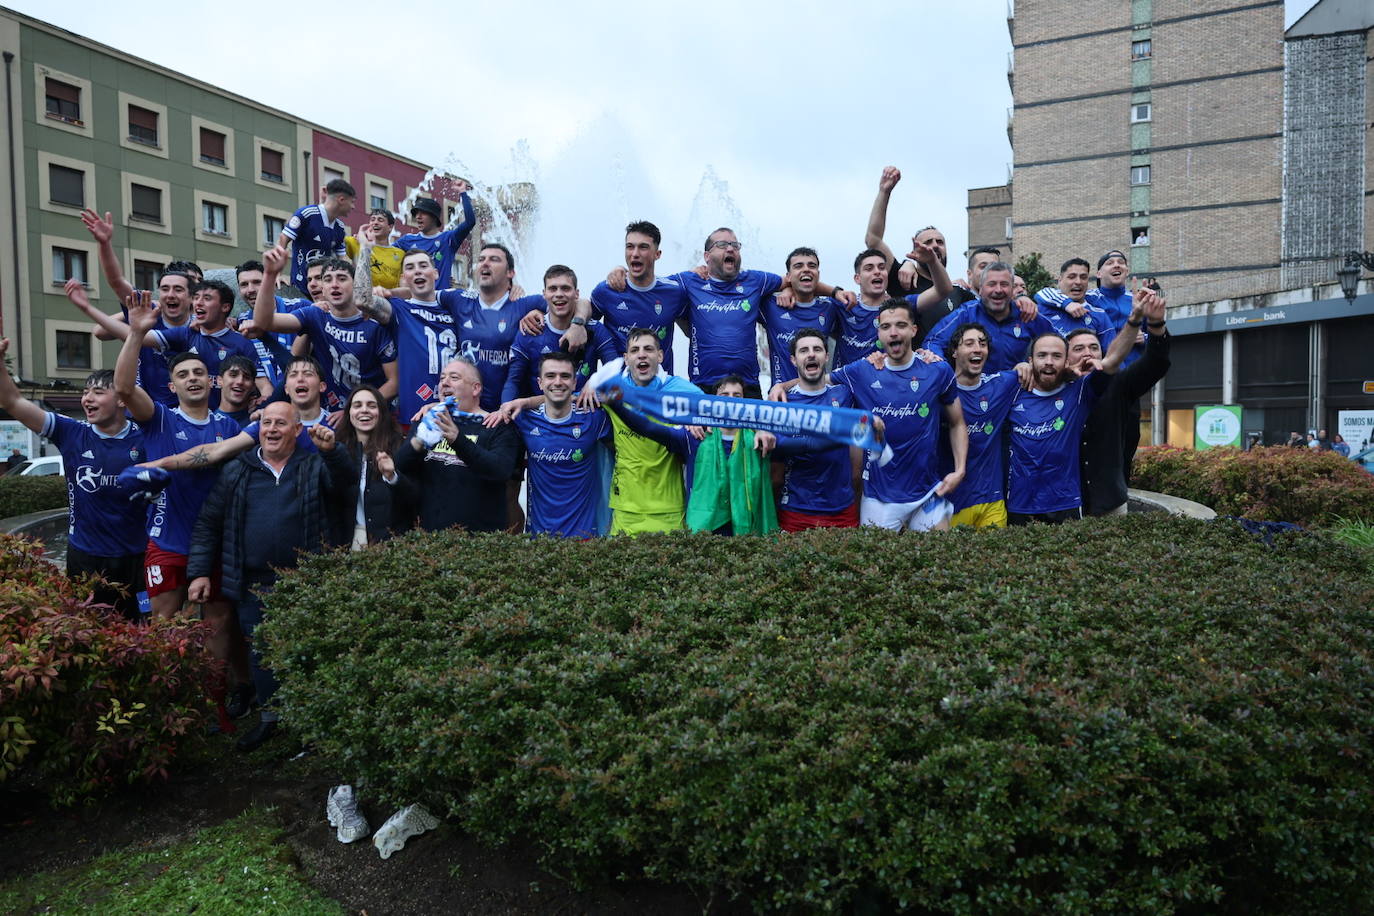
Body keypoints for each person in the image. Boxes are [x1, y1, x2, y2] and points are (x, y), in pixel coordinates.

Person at [187, 401, 348, 751]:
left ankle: (310, 725)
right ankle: (270, 720)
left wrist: (333, 452)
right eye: (266, 423)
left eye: (280, 424)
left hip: (305, 580)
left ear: (297, 430)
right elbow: (208, 524)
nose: (272, 429)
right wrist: (199, 572)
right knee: (261, 652)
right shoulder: (237, 470)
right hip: (252, 582)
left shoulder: (314, 464)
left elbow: (347, 487)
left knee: (307, 652)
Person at [0, 340, 146, 618]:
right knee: (87, 629)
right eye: (85, 392)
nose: (87, 399)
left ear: (121, 399)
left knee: (140, 634)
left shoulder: (146, 436)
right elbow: (12, 401)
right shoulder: (72, 432)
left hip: (136, 557)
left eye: (98, 392)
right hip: (85, 555)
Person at [828, 299, 967, 532]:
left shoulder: (938, 370)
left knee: (942, 558)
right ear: (879, 333)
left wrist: (960, 469)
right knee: (878, 565)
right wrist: (781, 387)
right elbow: (816, 384)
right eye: (886, 327)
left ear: (913, 330)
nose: (893, 332)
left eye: (901, 325)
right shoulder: (862, 370)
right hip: (879, 496)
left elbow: (957, 423)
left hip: (927, 492)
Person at [1006, 321, 1140, 525]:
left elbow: (1113, 360)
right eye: (1042, 355)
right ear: (1030, 360)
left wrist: (1135, 319)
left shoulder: (1079, 391)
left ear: (1066, 361)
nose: (1049, 362)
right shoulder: (1011, 390)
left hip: (1065, 505)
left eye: (1056, 356)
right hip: (1019, 504)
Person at [71, 278, 269, 409]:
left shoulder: (242, 343)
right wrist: (87, 308)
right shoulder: (185, 335)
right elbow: (136, 336)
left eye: (206, 298)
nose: (198, 303)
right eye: (196, 298)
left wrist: (262, 407)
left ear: (225, 307)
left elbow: (264, 386)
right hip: (185, 421)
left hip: (226, 421)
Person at [253, 247, 397, 413]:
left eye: (342, 278)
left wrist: (352, 410)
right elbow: (263, 322)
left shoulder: (375, 321)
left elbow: (394, 383)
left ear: (356, 284)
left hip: (372, 415)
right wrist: (270, 274)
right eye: (327, 279)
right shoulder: (315, 314)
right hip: (331, 416)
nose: (334, 284)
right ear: (322, 288)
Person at [1073, 285, 1170, 516]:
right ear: (1066, 356)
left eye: (1094, 347)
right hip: (1066, 503)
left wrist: (1155, 325)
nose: (1087, 352)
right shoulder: (1056, 390)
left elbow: (1155, 364)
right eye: (1078, 348)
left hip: (1109, 502)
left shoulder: (1119, 386)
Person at [393, 358, 521, 532]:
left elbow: (500, 471)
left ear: (476, 388)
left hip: (480, 543)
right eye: (442, 378)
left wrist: (457, 439)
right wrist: (418, 441)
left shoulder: (497, 425)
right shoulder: (428, 421)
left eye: (454, 378)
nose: (444, 383)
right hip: (429, 539)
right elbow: (400, 467)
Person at [509, 352, 614, 538]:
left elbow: (625, 394)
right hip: (538, 538)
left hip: (584, 538)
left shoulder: (594, 418)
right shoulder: (524, 418)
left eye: (565, 376)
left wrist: (593, 385)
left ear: (575, 383)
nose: (558, 382)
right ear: (540, 383)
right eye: (550, 376)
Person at [773, 329, 861, 530]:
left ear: (826, 356)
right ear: (794, 360)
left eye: (817, 349)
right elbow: (775, 475)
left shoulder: (845, 394)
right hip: (795, 511)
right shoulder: (782, 405)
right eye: (804, 350)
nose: (811, 354)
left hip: (842, 510)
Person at [500, 265, 619, 406]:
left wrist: (595, 383)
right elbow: (513, 381)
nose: (559, 294)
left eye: (565, 288)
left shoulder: (596, 329)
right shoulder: (530, 329)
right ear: (544, 294)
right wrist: (505, 410)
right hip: (541, 420)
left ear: (577, 294)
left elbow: (616, 372)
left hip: (584, 417)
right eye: (552, 289)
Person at [942, 323, 1020, 529]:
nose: (977, 348)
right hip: (949, 502)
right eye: (969, 343)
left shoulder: (1001, 384)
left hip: (992, 501)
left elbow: (1045, 370)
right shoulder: (939, 390)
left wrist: (1026, 366)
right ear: (954, 352)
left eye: (982, 344)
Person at [589, 221, 690, 373]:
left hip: (659, 390)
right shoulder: (606, 291)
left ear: (657, 254)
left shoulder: (674, 292)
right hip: (619, 390)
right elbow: (581, 313)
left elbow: (693, 331)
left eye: (643, 247)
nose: (635, 253)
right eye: (630, 247)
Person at [924, 262, 1057, 374]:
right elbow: (933, 342)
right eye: (991, 284)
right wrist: (941, 368)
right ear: (980, 289)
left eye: (1004, 284)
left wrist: (1034, 367)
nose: (998, 290)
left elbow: (1059, 344)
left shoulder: (1026, 313)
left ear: (1012, 289)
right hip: (974, 394)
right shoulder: (966, 314)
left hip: (1016, 394)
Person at [328, 385, 416, 548]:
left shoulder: (399, 446)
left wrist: (393, 477)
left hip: (390, 546)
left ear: (381, 412)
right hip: (346, 545)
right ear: (348, 413)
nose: (364, 410)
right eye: (357, 405)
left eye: (371, 405)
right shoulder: (338, 450)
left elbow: (414, 499)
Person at [761, 248, 841, 385]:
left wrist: (835, 291)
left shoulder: (831, 308)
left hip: (820, 397)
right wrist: (787, 288)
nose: (806, 270)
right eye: (798, 266)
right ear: (788, 276)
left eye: (812, 266)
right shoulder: (771, 305)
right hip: (781, 398)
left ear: (818, 274)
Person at [278, 179, 355, 295]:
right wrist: (276, 274)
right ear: (341, 200)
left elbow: (342, 259)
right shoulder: (307, 214)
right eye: (352, 202)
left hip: (326, 292)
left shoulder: (339, 227)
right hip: (300, 288)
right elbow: (283, 238)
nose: (353, 207)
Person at [392, 188, 475, 291]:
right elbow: (386, 254)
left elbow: (470, 222)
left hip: (440, 302)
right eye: (416, 213)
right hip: (416, 301)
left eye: (423, 213)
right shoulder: (407, 240)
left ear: (434, 217)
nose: (418, 217)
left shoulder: (448, 239)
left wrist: (463, 192)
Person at [1032, 258, 1118, 346]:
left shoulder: (1099, 315)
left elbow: (1112, 353)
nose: (1078, 282)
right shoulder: (1042, 309)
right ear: (1060, 281)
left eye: (1083, 277)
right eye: (1072, 277)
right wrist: (1067, 303)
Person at [834, 249, 892, 368]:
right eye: (869, 268)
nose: (877, 272)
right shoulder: (844, 304)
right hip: (844, 383)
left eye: (881, 267)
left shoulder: (899, 309)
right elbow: (804, 288)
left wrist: (909, 264)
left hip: (885, 383)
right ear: (857, 278)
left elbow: (939, 292)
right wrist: (834, 291)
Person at [345, 209, 404, 292]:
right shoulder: (356, 242)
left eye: (380, 220)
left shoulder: (400, 254)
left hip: (390, 301)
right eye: (372, 219)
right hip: (362, 299)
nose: (375, 223)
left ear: (390, 227)